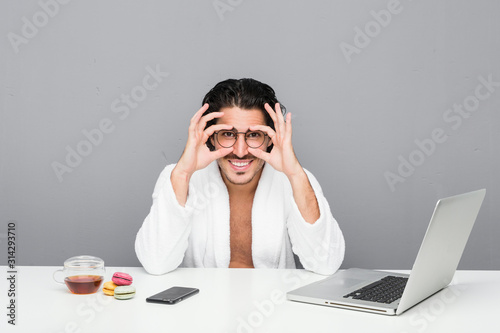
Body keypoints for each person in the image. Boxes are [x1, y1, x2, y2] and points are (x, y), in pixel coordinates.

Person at [135, 78, 345, 275]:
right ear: (210, 136)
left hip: (275, 308)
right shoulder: (179, 178)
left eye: (254, 135)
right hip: (199, 308)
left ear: (271, 138)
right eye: (228, 134)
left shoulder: (294, 180)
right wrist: (182, 173)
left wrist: (296, 174)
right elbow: (156, 263)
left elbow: (325, 263)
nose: (241, 150)